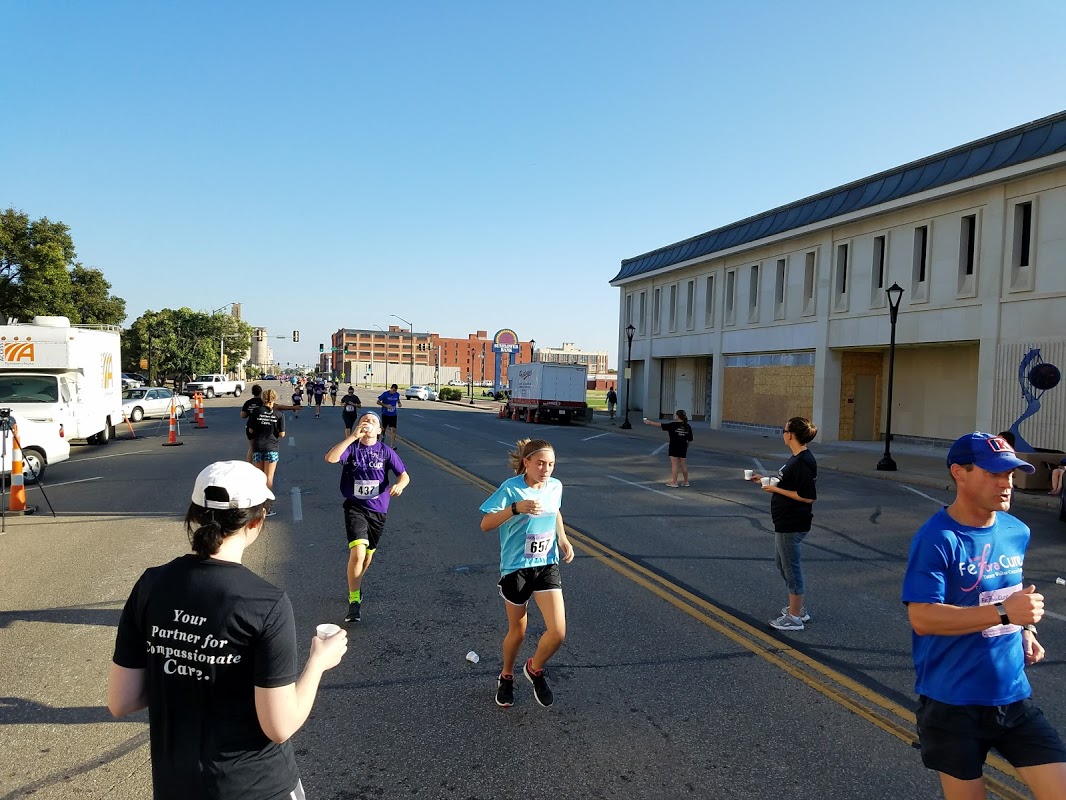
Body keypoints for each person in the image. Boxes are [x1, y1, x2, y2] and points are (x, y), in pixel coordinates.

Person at [107, 460, 348, 800]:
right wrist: (318, 663)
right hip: (256, 786)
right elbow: (280, 726)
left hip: (176, 785)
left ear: (194, 515)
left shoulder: (150, 584)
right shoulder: (265, 603)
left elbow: (122, 701)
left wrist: (182, 667)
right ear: (257, 520)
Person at [902, 432, 1066, 799]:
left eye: (1009, 474)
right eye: (994, 474)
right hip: (952, 703)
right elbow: (923, 618)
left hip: (1011, 697)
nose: (1006, 484)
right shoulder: (938, 538)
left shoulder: (1016, 530)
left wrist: (1025, 629)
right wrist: (1005, 613)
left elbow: (1008, 595)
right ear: (959, 472)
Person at [479, 438, 574, 708]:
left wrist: (562, 538)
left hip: (546, 564)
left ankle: (534, 668)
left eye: (551, 464)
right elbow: (485, 524)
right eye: (540, 464)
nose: (546, 469)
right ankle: (506, 675)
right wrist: (515, 509)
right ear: (527, 462)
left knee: (558, 632)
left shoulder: (555, 486)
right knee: (518, 632)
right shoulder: (511, 489)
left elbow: (555, 511)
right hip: (516, 568)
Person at [324, 411, 410, 623]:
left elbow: (404, 475)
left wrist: (400, 485)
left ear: (379, 430)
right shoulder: (352, 448)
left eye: (373, 421)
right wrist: (352, 437)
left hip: (378, 510)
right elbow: (331, 458)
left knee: (367, 556)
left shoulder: (386, 452)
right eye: (364, 420)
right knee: (358, 552)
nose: (368, 423)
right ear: (359, 427)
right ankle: (354, 600)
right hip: (355, 507)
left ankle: (356, 584)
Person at [749, 416, 818, 631]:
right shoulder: (796, 457)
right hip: (784, 521)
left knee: (791, 568)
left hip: (792, 522)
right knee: (782, 564)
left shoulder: (804, 461)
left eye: (784, 430)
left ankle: (795, 617)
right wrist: (765, 480)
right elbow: (788, 482)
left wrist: (775, 489)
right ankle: (797, 608)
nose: (783, 433)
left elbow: (807, 497)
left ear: (791, 435)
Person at [247, 389, 285, 504]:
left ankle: (258, 504)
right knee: (269, 477)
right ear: (274, 399)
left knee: (259, 476)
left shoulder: (256, 411)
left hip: (258, 446)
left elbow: (250, 430)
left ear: (263, 399)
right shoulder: (279, 414)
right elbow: (282, 434)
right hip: (272, 448)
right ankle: (267, 505)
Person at [642, 409, 693, 487]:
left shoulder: (673, 425)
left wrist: (650, 422)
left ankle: (674, 482)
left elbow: (660, 425)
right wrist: (686, 447)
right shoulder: (687, 426)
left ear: (677, 416)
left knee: (675, 465)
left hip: (674, 446)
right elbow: (690, 439)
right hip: (683, 447)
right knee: (683, 465)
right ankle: (686, 482)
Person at [239, 384, 265, 463]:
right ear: (261, 392)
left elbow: (243, 415)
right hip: (262, 426)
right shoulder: (263, 402)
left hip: (250, 426)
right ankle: (261, 464)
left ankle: (249, 464)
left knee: (253, 447)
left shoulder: (248, 402)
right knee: (262, 446)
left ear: (252, 392)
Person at [376, 384, 402, 448]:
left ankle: (392, 445)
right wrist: (386, 405)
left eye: (395, 391)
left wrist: (399, 403)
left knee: (393, 430)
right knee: (383, 428)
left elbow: (398, 400)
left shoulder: (397, 394)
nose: (394, 392)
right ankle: (383, 435)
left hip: (393, 415)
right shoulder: (385, 394)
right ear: (391, 388)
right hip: (385, 414)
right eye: (393, 390)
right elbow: (378, 402)